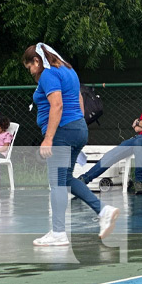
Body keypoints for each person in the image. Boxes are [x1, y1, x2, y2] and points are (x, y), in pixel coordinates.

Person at [24, 43, 119, 247]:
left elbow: (57, 105)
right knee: (65, 179)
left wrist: (48, 138)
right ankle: (104, 211)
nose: (30, 71)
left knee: (57, 182)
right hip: (77, 128)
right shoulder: (69, 70)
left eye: (29, 66)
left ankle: (58, 233)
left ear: (37, 61)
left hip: (62, 133)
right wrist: (79, 124)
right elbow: (79, 99)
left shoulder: (48, 75)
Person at [77, 82, 142, 193]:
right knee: (112, 154)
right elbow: (137, 128)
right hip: (139, 139)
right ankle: (84, 179)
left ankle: (139, 181)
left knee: (139, 143)